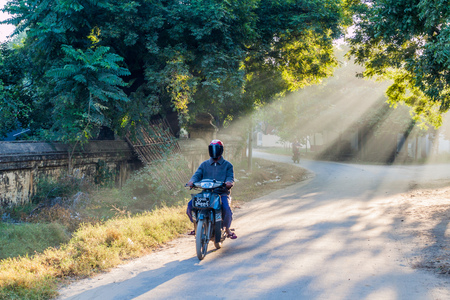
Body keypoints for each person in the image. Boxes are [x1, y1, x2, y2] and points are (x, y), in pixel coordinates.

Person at [186, 139, 237, 239]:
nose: (214, 151)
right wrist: (191, 182)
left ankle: (226, 229)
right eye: (212, 148)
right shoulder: (204, 165)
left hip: (221, 193)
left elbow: (230, 177)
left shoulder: (228, 165)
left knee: (226, 209)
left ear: (221, 150)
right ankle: (196, 226)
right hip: (206, 192)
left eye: (216, 149)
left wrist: (228, 183)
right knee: (190, 206)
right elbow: (197, 175)